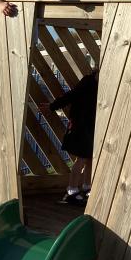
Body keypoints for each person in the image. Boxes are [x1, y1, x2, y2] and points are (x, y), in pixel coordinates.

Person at [42, 70, 99, 206]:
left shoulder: (101, 84)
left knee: (90, 158)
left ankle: (87, 186)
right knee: (81, 158)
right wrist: (53, 106)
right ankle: (72, 190)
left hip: (92, 125)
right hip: (81, 125)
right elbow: (71, 95)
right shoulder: (88, 81)